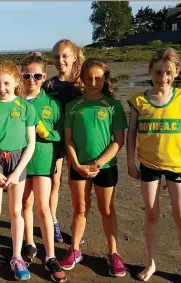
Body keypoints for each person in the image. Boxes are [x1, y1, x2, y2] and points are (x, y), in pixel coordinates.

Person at [127, 48, 181, 283]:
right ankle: (151, 263)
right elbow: (131, 134)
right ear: (150, 71)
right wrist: (131, 163)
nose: (163, 77)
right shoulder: (138, 101)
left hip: (177, 165)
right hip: (148, 165)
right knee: (151, 214)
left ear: (177, 72)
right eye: (158, 72)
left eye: (169, 72)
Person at [58, 58, 128, 278]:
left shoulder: (113, 106)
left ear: (106, 78)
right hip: (78, 166)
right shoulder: (73, 106)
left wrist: (97, 163)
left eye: (98, 78)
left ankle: (113, 253)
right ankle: (75, 249)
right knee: (80, 208)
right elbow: (68, 140)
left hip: (105, 166)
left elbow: (118, 141)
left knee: (106, 209)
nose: (93, 82)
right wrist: (77, 164)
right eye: (89, 78)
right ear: (82, 79)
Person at [0, 60, 36, 281]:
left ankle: (17, 257)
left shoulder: (25, 107)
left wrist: (16, 171)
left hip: (17, 161)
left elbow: (31, 143)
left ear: (16, 82)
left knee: (16, 212)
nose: (2, 88)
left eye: (6, 83)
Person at [19, 52, 66, 282]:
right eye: (26, 76)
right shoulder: (15, 102)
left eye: (37, 76)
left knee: (44, 207)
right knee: (24, 203)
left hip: (43, 161)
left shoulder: (52, 103)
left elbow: (61, 134)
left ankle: (50, 255)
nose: (31, 80)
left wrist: (46, 133)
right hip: (19, 162)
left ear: (44, 76)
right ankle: (29, 243)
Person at [42, 39, 84, 244]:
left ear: (74, 57)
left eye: (65, 56)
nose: (60, 60)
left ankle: (78, 228)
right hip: (56, 141)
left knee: (79, 187)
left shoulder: (83, 83)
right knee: (54, 183)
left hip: (79, 143)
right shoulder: (48, 85)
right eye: (57, 56)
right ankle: (52, 222)